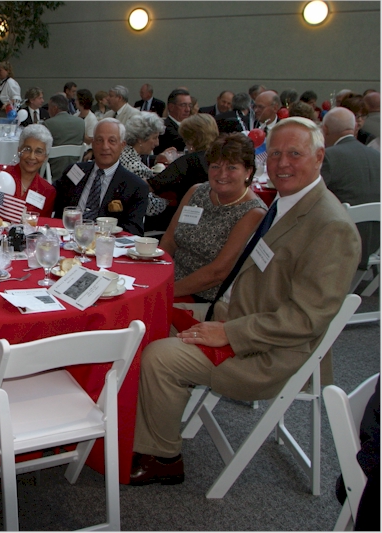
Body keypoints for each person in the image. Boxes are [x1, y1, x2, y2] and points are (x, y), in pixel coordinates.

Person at [129, 117, 361, 486]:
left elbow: (305, 320)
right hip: (237, 317)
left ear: (319, 157)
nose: (283, 163)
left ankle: (163, 456)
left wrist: (230, 333)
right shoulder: (290, 203)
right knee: (141, 328)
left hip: (270, 353)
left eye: (295, 154)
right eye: (276, 154)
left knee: (159, 357)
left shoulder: (329, 225)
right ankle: (136, 429)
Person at [160, 134, 266, 302]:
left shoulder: (253, 213)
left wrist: (166, 291)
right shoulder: (196, 192)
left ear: (248, 172)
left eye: (231, 167)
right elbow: (169, 240)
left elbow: (218, 272)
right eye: (216, 166)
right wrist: (157, 277)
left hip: (206, 298)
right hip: (169, 284)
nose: (222, 174)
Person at [53, 118, 148, 236]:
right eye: (99, 140)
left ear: (122, 145)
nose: (105, 147)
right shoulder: (75, 170)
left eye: (112, 141)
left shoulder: (135, 186)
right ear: (92, 144)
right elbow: (51, 196)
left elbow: (133, 230)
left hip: (105, 245)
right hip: (66, 237)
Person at [321, 107, 380, 269]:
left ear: (324, 130)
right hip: (376, 242)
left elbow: (312, 197)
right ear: (354, 128)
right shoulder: (377, 156)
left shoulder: (329, 156)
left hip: (343, 240)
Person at [148, 113, 220, 231]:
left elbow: (153, 184)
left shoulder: (188, 161)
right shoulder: (220, 157)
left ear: (191, 139)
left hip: (187, 219)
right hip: (214, 217)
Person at [120, 111, 169, 218]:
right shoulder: (136, 167)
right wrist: (169, 200)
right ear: (141, 139)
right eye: (154, 137)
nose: (157, 143)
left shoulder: (123, 152)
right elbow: (150, 207)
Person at [10, 124, 56, 218]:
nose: (31, 157)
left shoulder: (47, 191)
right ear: (19, 150)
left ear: (45, 157)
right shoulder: (0, 174)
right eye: (27, 149)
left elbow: (42, 226)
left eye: (38, 152)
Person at [43, 93, 85, 180]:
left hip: (52, 170)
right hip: (75, 170)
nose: (48, 110)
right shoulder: (80, 122)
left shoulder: (48, 124)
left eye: (49, 107)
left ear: (54, 108)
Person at [155, 88, 192, 155]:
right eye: (183, 105)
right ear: (171, 107)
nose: (188, 109)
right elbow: (181, 142)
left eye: (189, 105)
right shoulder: (164, 126)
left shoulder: (191, 126)